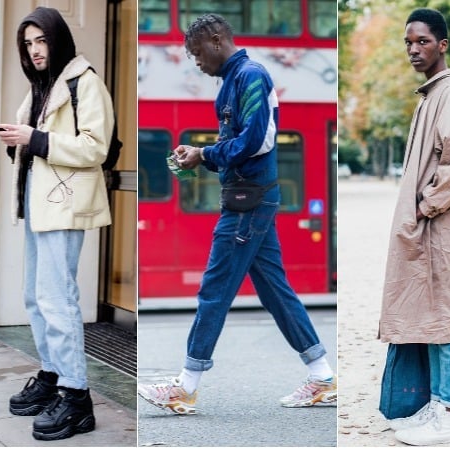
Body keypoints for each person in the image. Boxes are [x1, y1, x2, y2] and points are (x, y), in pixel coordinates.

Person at [136, 13, 336, 415]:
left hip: (247, 203)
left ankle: (185, 386)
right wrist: (202, 157)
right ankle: (323, 376)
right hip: (248, 198)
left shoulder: (250, 76)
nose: (196, 63)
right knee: (275, 292)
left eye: (196, 54)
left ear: (214, 40)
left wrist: (204, 154)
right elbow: (240, 141)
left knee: (214, 289)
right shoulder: (233, 81)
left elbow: (257, 140)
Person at [0, 6, 114, 441]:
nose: (35, 50)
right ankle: (51, 375)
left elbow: (95, 148)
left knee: (58, 298)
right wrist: (17, 140)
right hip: (39, 204)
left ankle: (77, 398)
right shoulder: (41, 86)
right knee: (36, 297)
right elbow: (37, 143)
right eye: (28, 44)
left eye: (41, 41)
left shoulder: (85, 83)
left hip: (64, 204)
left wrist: (33, 139)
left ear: (58, 39)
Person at [379, 8, 450, 446]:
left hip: (446, 228)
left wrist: (425, 206)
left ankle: (449, 417)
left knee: (449, 318)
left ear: (442, 45)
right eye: (408, 42)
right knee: (430, 315)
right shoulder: (431, 95)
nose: (413, 49)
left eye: (423, 41)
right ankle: (434, 405)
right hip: (431, 228)